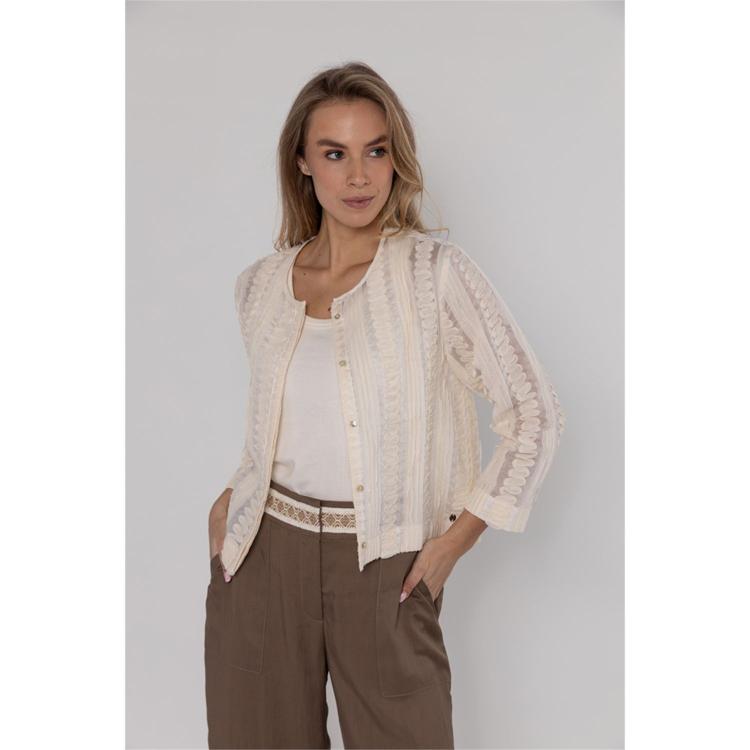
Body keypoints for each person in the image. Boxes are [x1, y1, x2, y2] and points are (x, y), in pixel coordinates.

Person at [204, 61, 566, 750]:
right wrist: (229, 502)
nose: (359, 177)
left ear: (396, 158)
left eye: (375, 151)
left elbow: (536, 411)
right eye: (334, 154)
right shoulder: (259, 286)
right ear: (302, 163)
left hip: (385, 564)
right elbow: (281, 423)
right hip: (261, 553)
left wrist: (454, 542)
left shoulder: (435, 275)